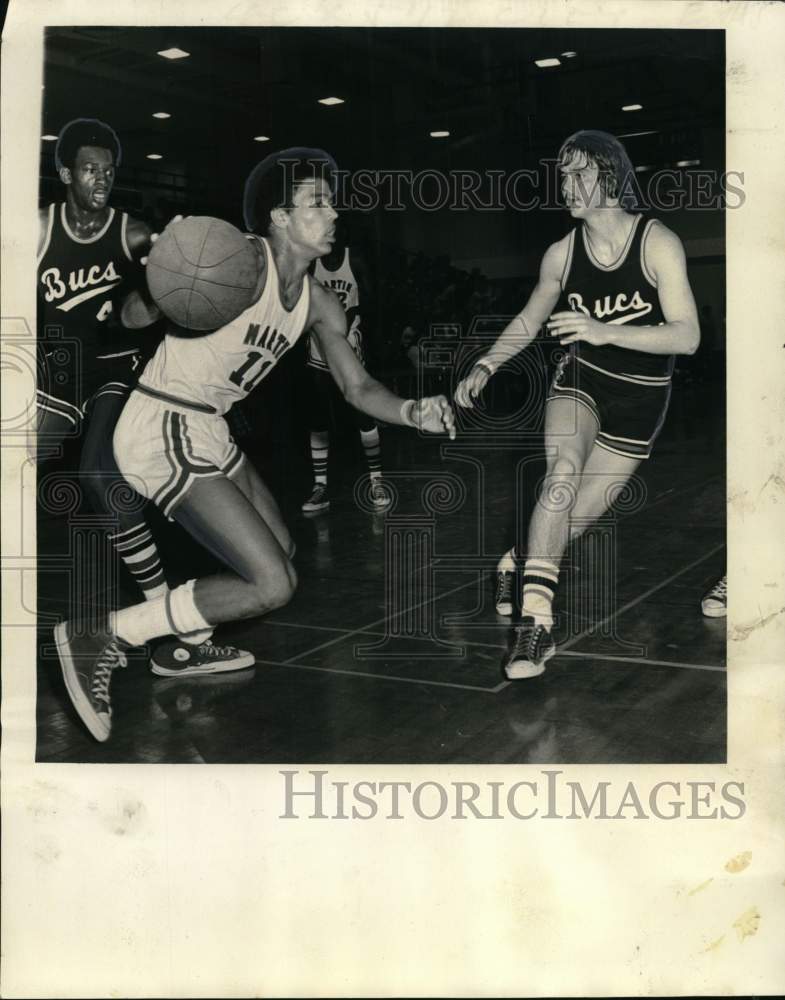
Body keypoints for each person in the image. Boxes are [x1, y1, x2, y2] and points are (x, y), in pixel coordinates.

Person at [54, 148, 456, 741]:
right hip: (162, 420)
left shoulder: (320, 303)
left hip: (209, 427)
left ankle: (185, 644)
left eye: (331, 201)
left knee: (282, 549)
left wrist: (411, 410)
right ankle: (106, 632)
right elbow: (131, 319)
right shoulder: (237, 257)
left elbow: (357, 385)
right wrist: (164, 272)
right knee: (272, 584)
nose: (333, 212)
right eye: (317, 202)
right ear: (279, 218)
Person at [456, 130, 699, 679]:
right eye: (562, 174)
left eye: (579, 173)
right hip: (581, 382)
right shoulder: (561, 254)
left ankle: (517, 563)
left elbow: (687, 336)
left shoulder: (657, 242)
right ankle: (534, 626)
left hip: (641, 403)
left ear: (611, 178)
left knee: (573, 521)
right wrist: (487, 362)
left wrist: (601, 328)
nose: (566, 184)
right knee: (560, 476)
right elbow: (529, 318)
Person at [37, 118, 249, 678]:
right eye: (89, 169)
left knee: (100, 477)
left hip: (114, 365)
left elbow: (141, 315)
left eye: (108, 170)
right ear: (65, 174)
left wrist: (171, 269)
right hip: (53, 371)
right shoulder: (35, 231)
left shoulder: (133, 236)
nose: (101, 179)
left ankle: (170, 628)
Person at [301, 231, 389, 513]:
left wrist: (352, 319)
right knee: (317, 414)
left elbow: (373, 301)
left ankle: (377, 481)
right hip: (317, 343)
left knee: (361, 410)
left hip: (349, 341)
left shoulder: (355, 259)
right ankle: (320, 486)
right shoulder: (310, 263)